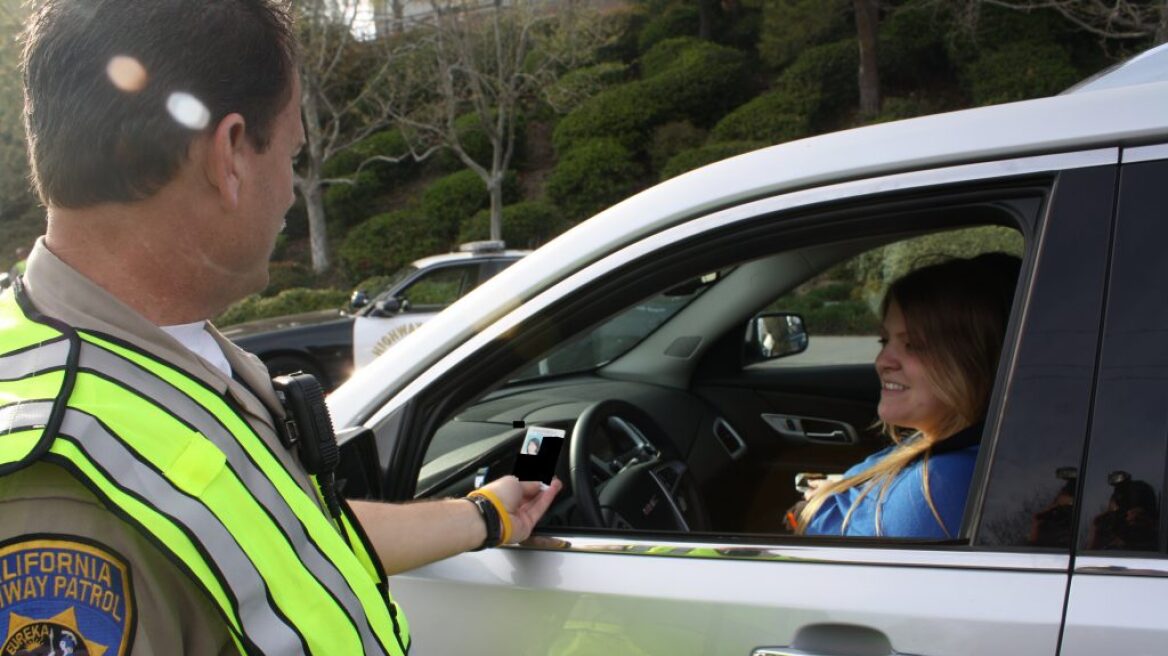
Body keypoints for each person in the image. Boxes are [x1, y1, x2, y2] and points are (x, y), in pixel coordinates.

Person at [0, 2, 560, 655]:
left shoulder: (154, 354)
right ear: (231, 153)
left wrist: (485, 516)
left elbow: (274, 539)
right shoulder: (54, 482)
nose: (293, 191)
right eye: (293, 153)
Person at [797, 253, 1020, 538]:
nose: (882, 361)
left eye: (913, 344)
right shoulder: (946, 448)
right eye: (884, 340)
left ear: (974, 360)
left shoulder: (938, 485)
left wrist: (809, 509)